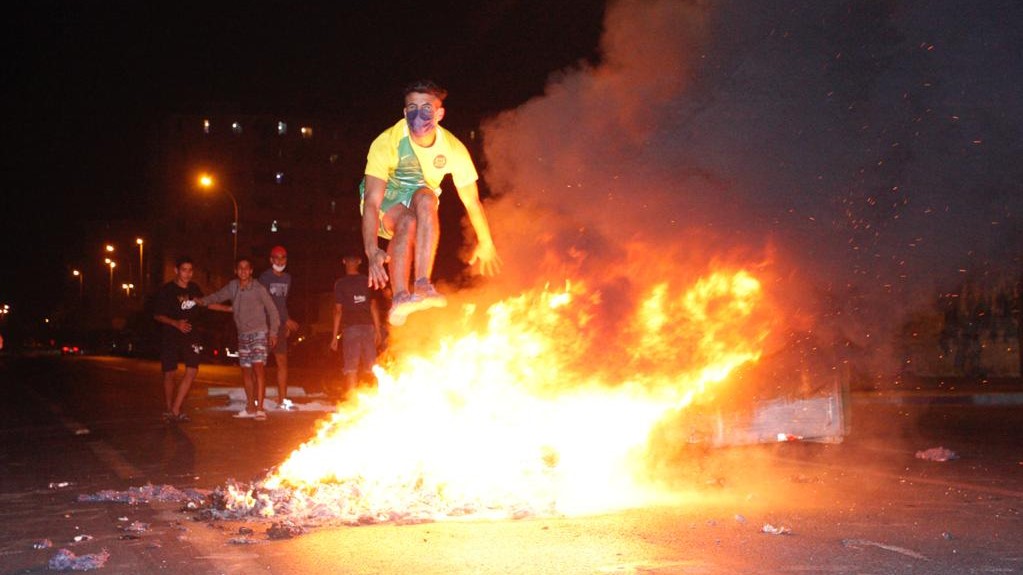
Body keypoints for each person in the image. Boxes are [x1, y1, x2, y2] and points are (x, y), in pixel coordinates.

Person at [360, 79, 502, 326]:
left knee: (427, 199)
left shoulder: (453, 149)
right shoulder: (386, 143)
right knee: (406, 221)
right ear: (405, 113)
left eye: (426, 108)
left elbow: (472, 201)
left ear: (439, 114)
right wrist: (371, 250)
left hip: (419, 192)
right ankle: (401, 296)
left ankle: (423, 284)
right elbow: (372, 202)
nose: (418, 115)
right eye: (412, 108)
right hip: (387, 196)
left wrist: (486, 241)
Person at [200, 257, 281, 421]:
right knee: (246, 371)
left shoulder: (258, 288)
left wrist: (273, 333)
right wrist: (202, 301)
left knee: (258, 369)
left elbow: (273, 311)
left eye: (246, 268)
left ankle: (260, 409)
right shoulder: (233, 287)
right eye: (240, 268)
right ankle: (250, 407)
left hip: (258, 333)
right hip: (242, 335)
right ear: (236, 271)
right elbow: (218, 296)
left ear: (251, 271)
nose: (243, 271)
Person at [153, 256, 228, 422]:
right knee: (169, 373)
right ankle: (169, 408)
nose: (187, 274)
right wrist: (175, 323)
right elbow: (157, 315)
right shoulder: (167, 290)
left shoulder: (194, 288)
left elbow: (206, 303)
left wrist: (229, 308)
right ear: (177, 270)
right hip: (171, 334)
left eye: (190, 270)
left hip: (191, 334)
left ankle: (176, 409)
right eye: (184, 270)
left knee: (192, 369)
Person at [330, 254, 382, 398]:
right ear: (359, 261)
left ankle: (353, 403)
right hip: (367, 327)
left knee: (351, 368)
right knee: (371, 367)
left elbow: (338, 311)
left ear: (344, 261)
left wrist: (334, 337)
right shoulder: (367, 281)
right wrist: (377, 331)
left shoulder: (340, 283)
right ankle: (374, 400)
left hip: (351, 328)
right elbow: (374, 307)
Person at [258, 245, 300, 409]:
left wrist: (285, 321)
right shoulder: (265, 278)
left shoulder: (287, 278)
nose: (280, 260)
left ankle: (282, 399)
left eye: (283, 257)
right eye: (277, 257)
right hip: (265, 324)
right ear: (271, 259)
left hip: (280, 324)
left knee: (282, 360)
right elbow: (268, 303)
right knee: (259, 362)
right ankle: (256, 398)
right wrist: (285, 320)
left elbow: (282, 302)